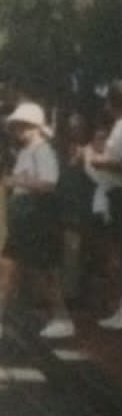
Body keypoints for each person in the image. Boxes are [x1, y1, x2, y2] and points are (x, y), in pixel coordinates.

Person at [0, 102, 75, 341]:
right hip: (25, 217)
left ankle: (61, 319)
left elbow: (49, 183)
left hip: (37, 216)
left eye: (23, 127)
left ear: (36, 128)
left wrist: (17, 181)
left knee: (43, 273)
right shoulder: (27, 151)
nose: (18, 131)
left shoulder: (42, 151)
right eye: (16, 127)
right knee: (12, 269)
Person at [85, 83, 122, 329]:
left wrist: (94, 160)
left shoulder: (120, 127)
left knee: (116, 255)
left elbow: (116, 163)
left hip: (118, 192)